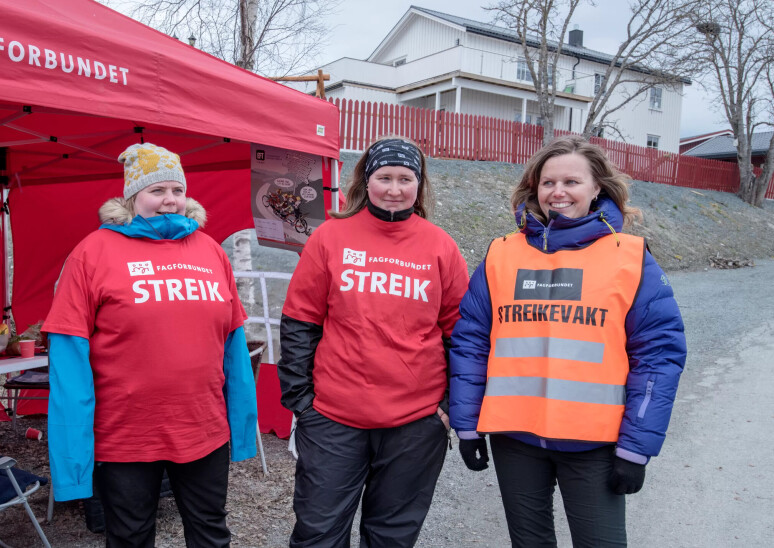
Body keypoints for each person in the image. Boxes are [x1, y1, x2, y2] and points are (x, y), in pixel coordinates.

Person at [449, 135, 686, 547]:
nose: (557, 192)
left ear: (597, 188)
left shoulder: (628, 257)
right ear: (533, 188)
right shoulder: (501, 255)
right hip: (516, 439)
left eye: (572, 182)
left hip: (595, 446)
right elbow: (471, 342)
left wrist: (636, 447)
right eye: (547, 183)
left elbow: (659, 355)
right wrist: (467, 426)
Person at [42, 142, 258, 548]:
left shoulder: (210, 250)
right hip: (126, 434)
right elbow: (68, 359)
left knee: (211, 532)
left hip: (202, 428)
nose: (169, 200)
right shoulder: (92, 252)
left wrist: (242, 428)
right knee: (130, 537)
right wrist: (73, 461)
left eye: (177, 190)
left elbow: (233, 344)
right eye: (157, 191)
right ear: (132, 196)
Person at [279, 136, 469, 547]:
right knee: (317, 532)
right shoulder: (331, 237)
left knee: (391, 535)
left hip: (414, 424)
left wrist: (452, 406)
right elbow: (299, 321)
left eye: (405, 178)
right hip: (333, 417)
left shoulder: (441, 247)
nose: (395, 188)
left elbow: (461, 334)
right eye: (385, 177)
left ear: (420, 185)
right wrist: (302, 402)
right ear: (367, 180)